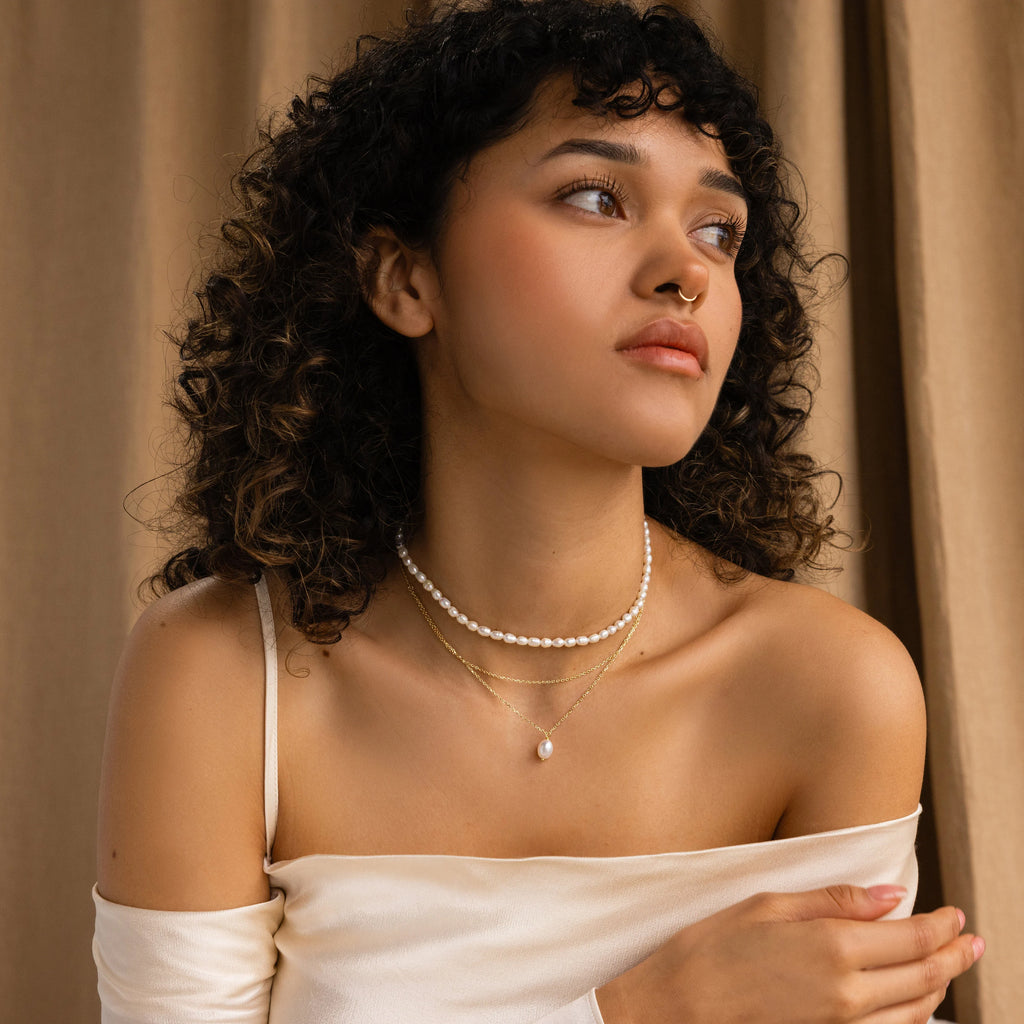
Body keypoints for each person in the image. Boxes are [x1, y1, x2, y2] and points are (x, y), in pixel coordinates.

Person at [93, 1, 982, 1021]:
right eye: (596, 195)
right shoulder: (219, 673)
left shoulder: (830, 688)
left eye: (716, 229)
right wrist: (639, 1014)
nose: (684, 271)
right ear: (404, 277)